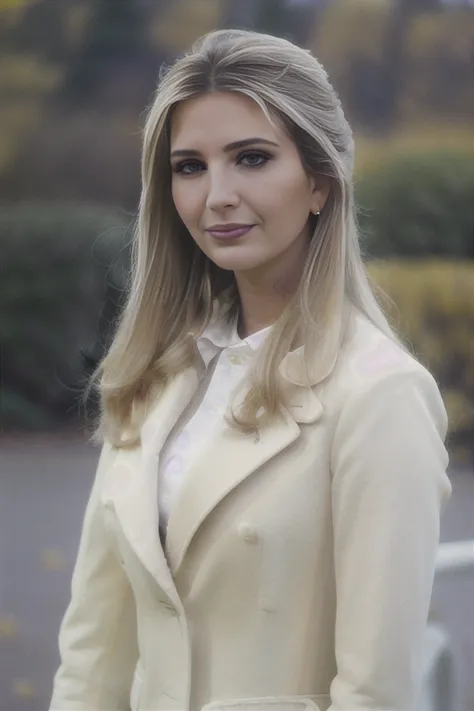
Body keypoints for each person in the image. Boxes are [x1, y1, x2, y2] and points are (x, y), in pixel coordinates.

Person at [49, 29, 452, 711]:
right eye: (190, 166)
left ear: (320, 180)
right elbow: (93, 650)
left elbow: (377, 692)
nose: (217, 196)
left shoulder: (381, 394)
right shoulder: (153, 376)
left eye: (252, 158)